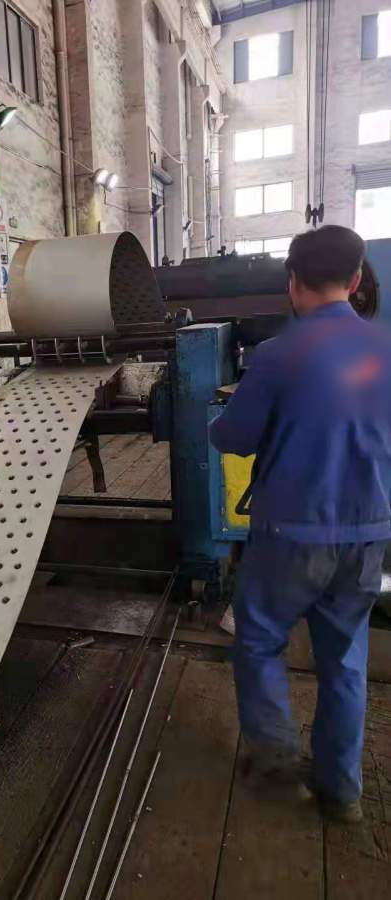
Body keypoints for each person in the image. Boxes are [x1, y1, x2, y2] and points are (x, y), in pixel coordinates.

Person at [210, 225, 391, 824]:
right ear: (357, 279)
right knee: (345, 657)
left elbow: (234, 437)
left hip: (290, 533)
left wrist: (220, 421)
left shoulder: (278, 354)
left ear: (293, 282)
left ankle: (277, 766)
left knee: (260, 640)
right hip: (367, 534)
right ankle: (342, 790)